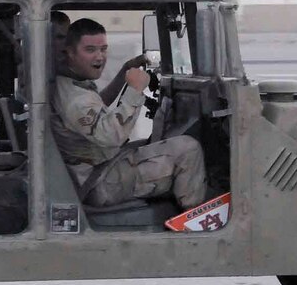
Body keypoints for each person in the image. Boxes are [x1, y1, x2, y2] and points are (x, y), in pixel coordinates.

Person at [50, 17, 207, 210]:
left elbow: (97, 108)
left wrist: (124, 72)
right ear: (70, 53)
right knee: (188, 149)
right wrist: (135, 90)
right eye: (90, 50)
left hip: (96, 170)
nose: (99, 57)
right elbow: (112, 136)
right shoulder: (75, 100)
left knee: (153, 144)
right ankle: (194, 226)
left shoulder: (69, 83)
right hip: (101, 182)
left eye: (103, 49)